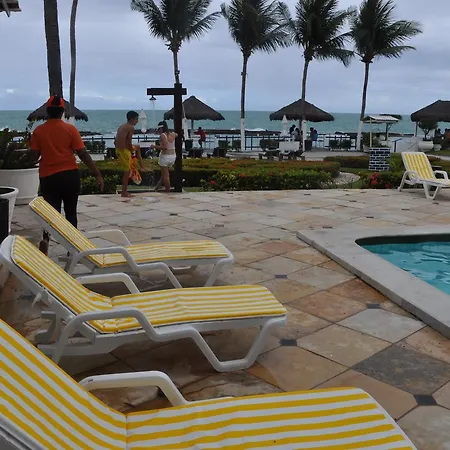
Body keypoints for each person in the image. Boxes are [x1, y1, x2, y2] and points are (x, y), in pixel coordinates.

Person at [30, 95, 104, 255]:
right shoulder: (70, 129)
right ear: (62, 111)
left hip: (49, 177)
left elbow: (34, 156)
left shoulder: (38, 131)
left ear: (47, 111)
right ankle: (73, 248)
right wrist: (97, 173)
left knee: (50, 213)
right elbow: (82, 153)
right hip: (70, 175)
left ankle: (46, 240)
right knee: (71, 212)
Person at [115, 111, 144, 198]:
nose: (137, 121)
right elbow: (129, 141)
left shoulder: (122, 126)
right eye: (136, 119)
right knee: (127, 171)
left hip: (118, 149)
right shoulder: (131, 127)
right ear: (132, 119)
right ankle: (124, 192)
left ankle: (142, 166)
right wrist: (131, 150)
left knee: (137, 147)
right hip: (123, 150)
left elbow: (116, 140)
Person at [151, 121, 177, 193]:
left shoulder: (163, 135)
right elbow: (177, 134)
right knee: (164, 175)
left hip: (165, 157)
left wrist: (154, 146)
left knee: (166, 176)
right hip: (173, 156)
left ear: (161, 129)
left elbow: (165, 147)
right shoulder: (172, 134)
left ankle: (167, 191)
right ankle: (157, 188)